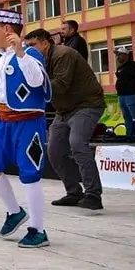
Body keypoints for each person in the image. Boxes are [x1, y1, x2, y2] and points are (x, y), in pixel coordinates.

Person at [0, 9, 52, 248]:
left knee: (29, 174)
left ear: (7, 30)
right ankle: (14, 211)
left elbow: (35, 81)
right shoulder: (3, 57)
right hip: (3, 122)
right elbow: (1, 79)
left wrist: (20, 51)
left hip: (28, 122)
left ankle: (38, 229)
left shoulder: (30, 54)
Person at [24, 29, 106, 212]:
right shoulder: (36, 61)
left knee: (77, 144)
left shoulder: (63, 54)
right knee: (54, 150)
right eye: (26, 46)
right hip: (64, 110)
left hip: (86, 105)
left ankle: (93, 194)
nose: (29, 49)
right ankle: (74, 192)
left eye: (32, 45)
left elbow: (60, 85)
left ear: (45, 43)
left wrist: (31, 85)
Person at [115, 46, 135, 137]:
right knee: (126, 116)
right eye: (117, 55)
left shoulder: (134, 66)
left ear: (126, 55)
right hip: (121, 95)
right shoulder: (120, 67)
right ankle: (129, 133)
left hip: (131, 94)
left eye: (119, 55)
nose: (118, 57)